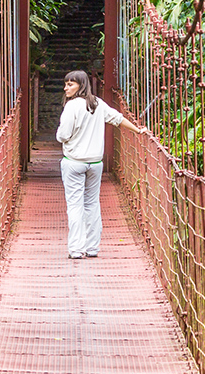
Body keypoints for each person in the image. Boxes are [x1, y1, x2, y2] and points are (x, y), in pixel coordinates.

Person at [55, 70, 142, 260]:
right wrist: (138, 130)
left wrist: (68, 139)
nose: (66, 88)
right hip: (95, 164)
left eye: (70, 84)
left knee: (75, 206)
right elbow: (118, 119)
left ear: (81, 85)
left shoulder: (71, 107)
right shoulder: (97, 103)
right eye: (66, 84)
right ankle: (92, 247)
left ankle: (77, 249)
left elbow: (62, 135)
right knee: (92, 204)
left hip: (74, 162)